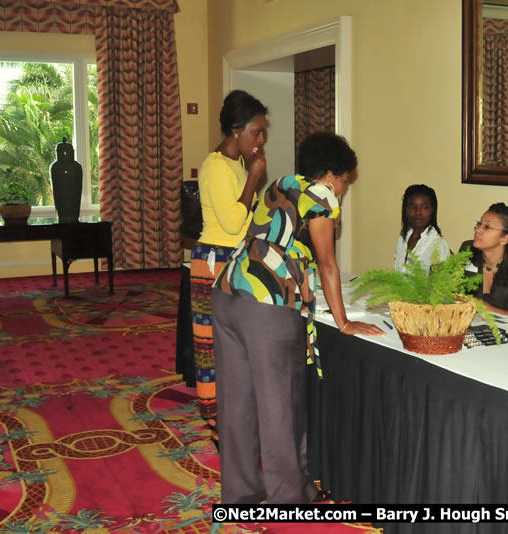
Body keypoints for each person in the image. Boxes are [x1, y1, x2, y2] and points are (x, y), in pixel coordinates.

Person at [212, 132, 384, 504]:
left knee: (238, 402)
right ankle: (289, 499)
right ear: (330, 174)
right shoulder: (321, 196)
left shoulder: (282, 184)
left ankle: (240, 493)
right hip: (266, 305)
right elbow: (327, 262)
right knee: (281, 406)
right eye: (343, 182)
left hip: (228, 292)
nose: (342, 190)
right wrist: (343, 321)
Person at [191, 90, 268, 445]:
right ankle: (214, 420)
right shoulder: (215, 166)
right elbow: (234, 220)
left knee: (236, 342)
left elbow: (249, 217)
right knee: (211, 346)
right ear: (236, 130)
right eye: (257, 131)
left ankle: (235, 413)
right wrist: (254, 178)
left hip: (233, 258)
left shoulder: (235, 164)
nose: (261, 139)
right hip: (214, 261)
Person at [458, 203, 508, 319]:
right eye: (479, 224)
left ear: (505, 238)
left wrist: (475, 303)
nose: (478, 230)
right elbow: (453, 291)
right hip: (473, 324)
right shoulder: (467, 249)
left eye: (487, 227)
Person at [393, 184, 451, 273]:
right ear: (406, 210)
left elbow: (438, 285)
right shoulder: (403, 239)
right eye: (413, 207)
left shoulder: (437, 245)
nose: (418, 212)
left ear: (432, 210)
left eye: (425, 207)